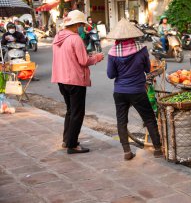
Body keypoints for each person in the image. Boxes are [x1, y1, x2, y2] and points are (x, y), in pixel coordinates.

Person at [107, 18, 162, 160]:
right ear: (133, 35)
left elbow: (110, 75)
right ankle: (157, 149)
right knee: (149, 118)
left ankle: (126, 151)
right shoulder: (141, 49)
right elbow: (147, 69)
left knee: (121, 121)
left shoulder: (112, 52)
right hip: (137, 90)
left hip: (119, 92)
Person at [51, 10, 104, 154]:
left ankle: (67, 139)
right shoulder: (75, 39)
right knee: (77, 113)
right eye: (81, 24)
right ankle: (72, 145)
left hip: (62, 80)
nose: (82, 27)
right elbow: (84, 61)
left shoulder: (57, 37)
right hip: (75, 80)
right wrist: (98, 57)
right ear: (77, 24)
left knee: (70, 111)